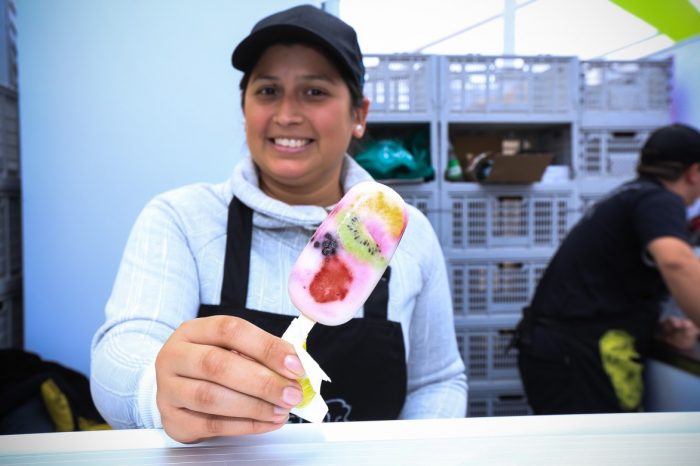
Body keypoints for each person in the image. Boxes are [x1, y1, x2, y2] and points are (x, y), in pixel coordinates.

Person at [90, 5, 466, 443]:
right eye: (268, 90)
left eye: (315, 92)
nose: (287, 114)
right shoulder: (181, 219)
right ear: (245, 106)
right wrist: (157, 390)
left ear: (359, 114)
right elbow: (122, 351)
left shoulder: (408, 235)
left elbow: (438, 381)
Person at [514, 123, 700, 414]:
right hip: (576, 353)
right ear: (693, 172)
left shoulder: (630, 195)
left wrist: (657, 327)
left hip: (560, 347)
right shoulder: (659, 200)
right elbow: (677, 262)